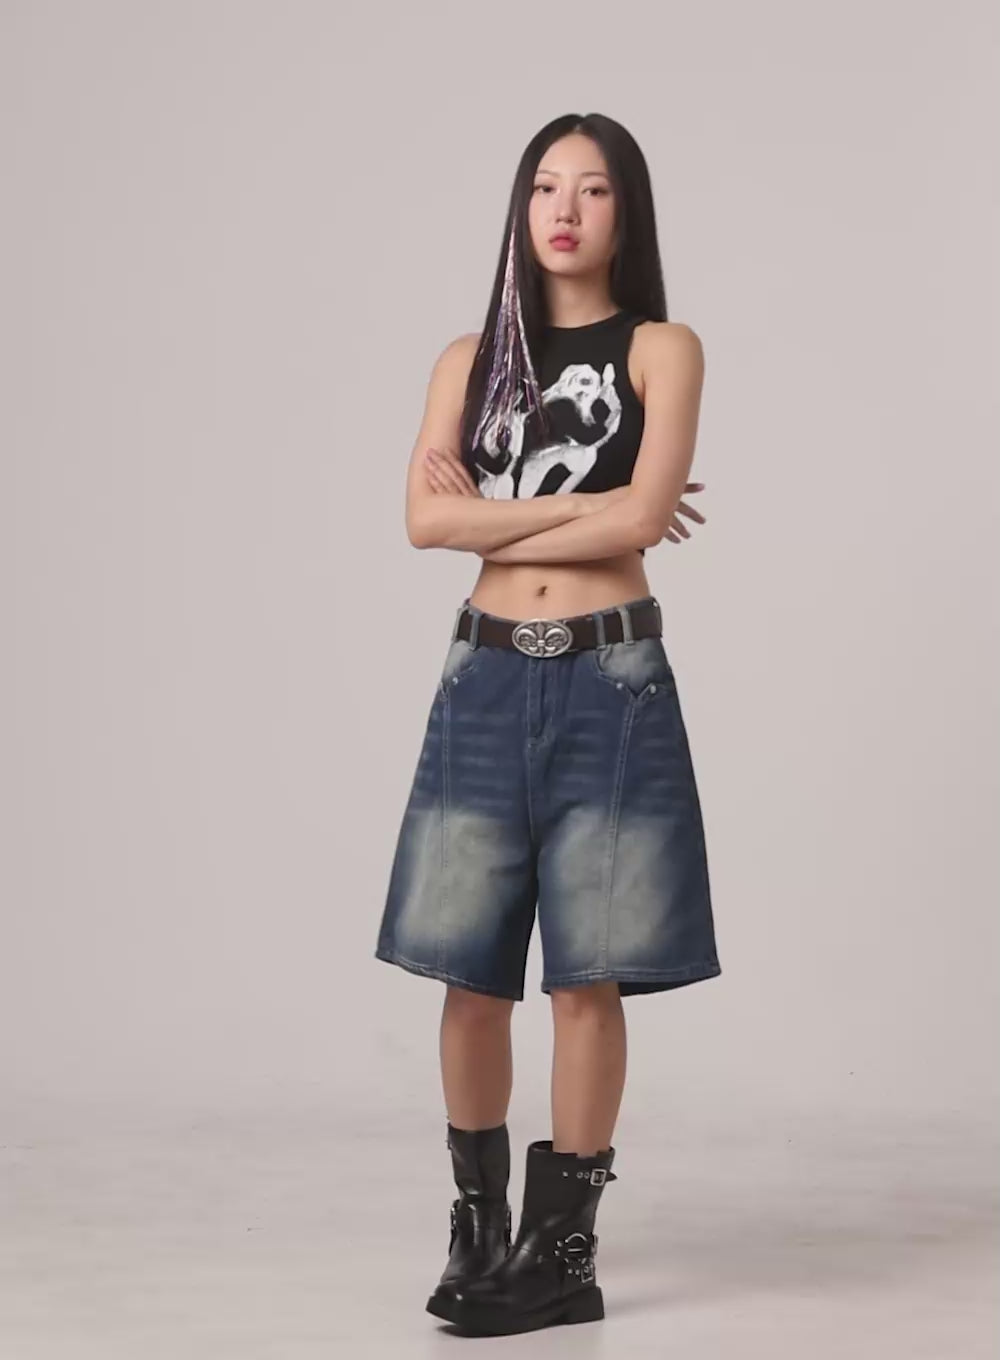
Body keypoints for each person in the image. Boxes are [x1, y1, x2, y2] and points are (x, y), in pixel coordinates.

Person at [374, 111, 722, 1337]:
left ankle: (561, 1250)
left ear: (628, 211)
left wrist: (520, 512)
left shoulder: (662, 350)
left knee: (587, 977)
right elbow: (425, 524)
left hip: (607, 681)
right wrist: (599, 504)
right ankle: (478, 1228)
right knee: (468, 975)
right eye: (543, 187)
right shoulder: (468, 360)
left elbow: (640, 520)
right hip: (482, 678)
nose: (564, 210)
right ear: (520, 209)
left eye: (593, 189)